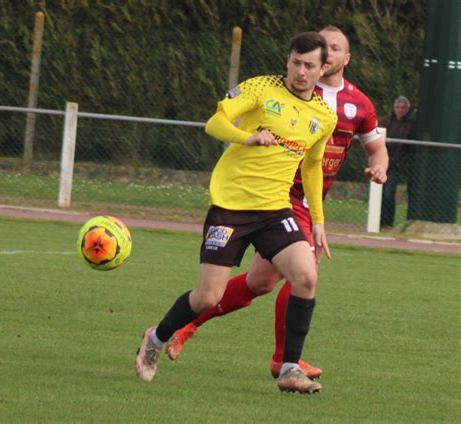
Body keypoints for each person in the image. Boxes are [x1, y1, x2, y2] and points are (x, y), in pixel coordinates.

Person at [165, 26, 389, 380]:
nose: (324, 55)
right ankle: (286, 363)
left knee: (261, 282)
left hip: (304, 197)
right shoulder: (275, 89)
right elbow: (218, 120)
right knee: (303, 274)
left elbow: (373, 148)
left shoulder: (356, 104)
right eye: (318, 49)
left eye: (334, 49)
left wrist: (379, 166)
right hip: (283, 195)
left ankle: (189, 325)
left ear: (343, 59)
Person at [135, 31, 337, 394]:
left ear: (324, 69)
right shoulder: (261, 88)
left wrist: (318, 222)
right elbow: (214, 122)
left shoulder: (323, 116)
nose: (300, 72)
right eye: (295, 62)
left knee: (306, 276)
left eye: (309, 65)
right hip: (230, 207)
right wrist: (247, 137)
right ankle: (156, 337)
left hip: (275, 208)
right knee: (207, 297)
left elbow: (312, 166)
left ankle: (290, 367)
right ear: (287, 60)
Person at [379, 96, 416, 228]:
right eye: (398, 107)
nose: (400, 110)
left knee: (389, 193)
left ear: (407, 109)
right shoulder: (385, 121)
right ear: (394, 108)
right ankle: (378, 222)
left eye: (403, 108)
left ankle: (387, 223)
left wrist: (402, 162)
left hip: (396, 165)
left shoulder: (411, 125)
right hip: (381, 163)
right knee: (379, 193)